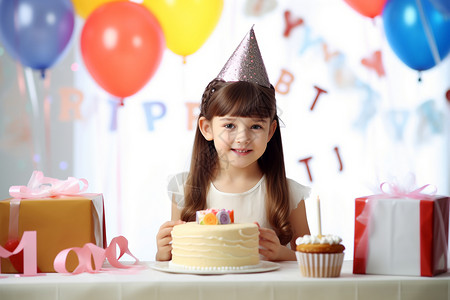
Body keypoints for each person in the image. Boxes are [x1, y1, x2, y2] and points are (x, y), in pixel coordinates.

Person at [156, 27, 310, 262]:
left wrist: (284, 254)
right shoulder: (184, 189)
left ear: (271, 131)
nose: (242, 137)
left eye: (255, 126)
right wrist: (163, 252)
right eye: (229, 126)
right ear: (207, 128)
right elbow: (178, 262)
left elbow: (311, 260)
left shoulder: (288, 194)